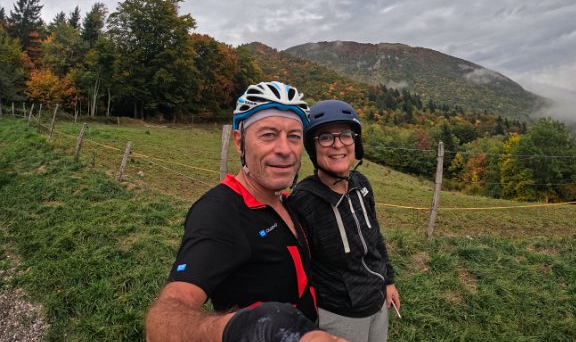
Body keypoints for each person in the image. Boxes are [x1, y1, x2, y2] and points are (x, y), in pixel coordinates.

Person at [145, 82, 348, 342]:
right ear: (240, 142)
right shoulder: (220, 213)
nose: (285, 150)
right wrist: (241, 329)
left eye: (294, 136)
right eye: (269, 135)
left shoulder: (285, 200)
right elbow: (163, 319)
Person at [287, 100, 400, 342]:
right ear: (312, 148)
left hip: (378, 302)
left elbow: (375, 238)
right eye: (326, 137)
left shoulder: (361, 185)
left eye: (346, 135)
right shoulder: (303, 202)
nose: (338, 144)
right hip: (339, 314)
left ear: (355, 142)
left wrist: (388, 281)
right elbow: (295, 268)